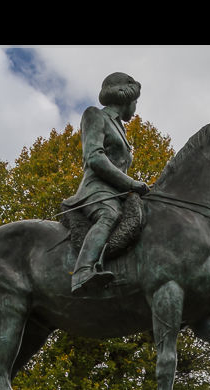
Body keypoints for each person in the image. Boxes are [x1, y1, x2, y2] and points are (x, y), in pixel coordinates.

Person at [66, 72, 152, 293]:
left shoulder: (120, 129)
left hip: (117, 193)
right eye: (135, 101)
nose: (135, 108)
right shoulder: (95, 115)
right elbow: (94, 157)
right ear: (126, 98)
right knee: (109, 215)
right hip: (97, 190)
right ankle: (83, 272)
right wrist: (131, 183)